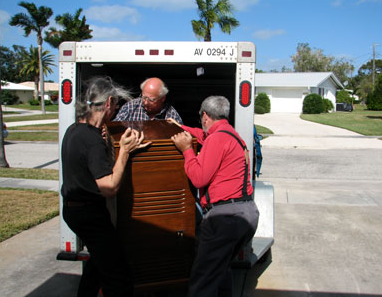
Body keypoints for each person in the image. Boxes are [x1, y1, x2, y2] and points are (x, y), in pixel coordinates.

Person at [61, 76, 151, 297]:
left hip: (73, 211)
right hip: (90, 216)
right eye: (116, 105)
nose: (115, 110)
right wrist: (126, 151)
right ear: (109, 102)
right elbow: (109, 187)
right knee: (118, 278)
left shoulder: (74, 130)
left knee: (97, 267)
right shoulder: (91, 140)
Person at [169, 96, 259, 297]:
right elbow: (203, 136)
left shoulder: (217, 139)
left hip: (225, 219)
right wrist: (179, 127)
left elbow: (199, 179)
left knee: (203, 281)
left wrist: (186, 152)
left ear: (205, 116)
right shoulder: (230, 134)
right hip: (246, 214)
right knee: (220, 271)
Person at [113, 77, 183, 124]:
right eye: (144, 97)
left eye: (151, 100)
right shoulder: (130, 107)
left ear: (162, 98)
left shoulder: (171, 114)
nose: (146, 102)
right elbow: (115, 127)